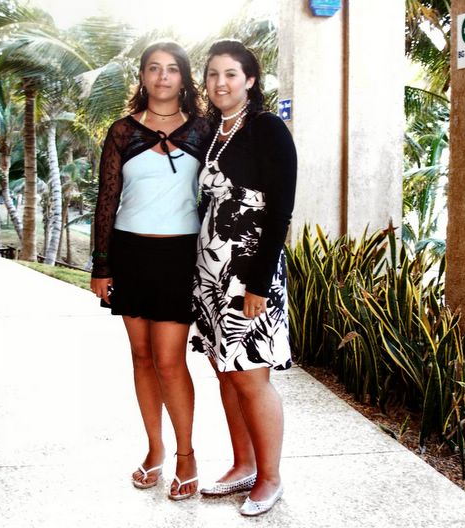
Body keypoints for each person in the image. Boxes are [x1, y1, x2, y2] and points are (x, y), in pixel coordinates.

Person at [90, 41, 209, 500]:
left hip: (180, 255)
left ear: (183, 78)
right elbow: (106, 199)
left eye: (172, 69)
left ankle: (186, 455)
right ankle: (154, 449)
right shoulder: (122, 131)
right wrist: (101, 265)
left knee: (170, 360)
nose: (163, 76)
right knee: (141, 357)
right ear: (142, 76)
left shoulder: (204, 129)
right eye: (154, 68)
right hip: (130, 254)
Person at [191, 39, 297, 516]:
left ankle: (270, 478)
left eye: (231, 74)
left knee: (252, 376)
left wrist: (258, 284)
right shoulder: (213, 131)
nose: (220, 82)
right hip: (211, 272)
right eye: (213, 74)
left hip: (250, 272)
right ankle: (243, 465)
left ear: (250, 80)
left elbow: (279, 213)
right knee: (225, 371)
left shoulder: (266, 128)